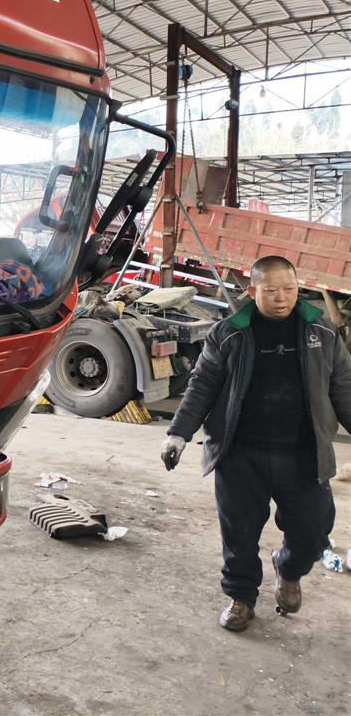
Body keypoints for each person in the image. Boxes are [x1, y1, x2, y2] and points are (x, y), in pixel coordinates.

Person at [161, 255, 351, 632]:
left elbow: (343, 387)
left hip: (303, 454)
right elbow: (202, 385)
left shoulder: (321, 332)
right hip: (240, 453)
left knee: (314, 532)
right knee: (240, 533)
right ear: (252, 291)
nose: (282, 298)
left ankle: (289, 568)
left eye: (290, 290)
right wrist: (178, 433)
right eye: (271, 290)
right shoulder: (229, 333)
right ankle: (241, 598)